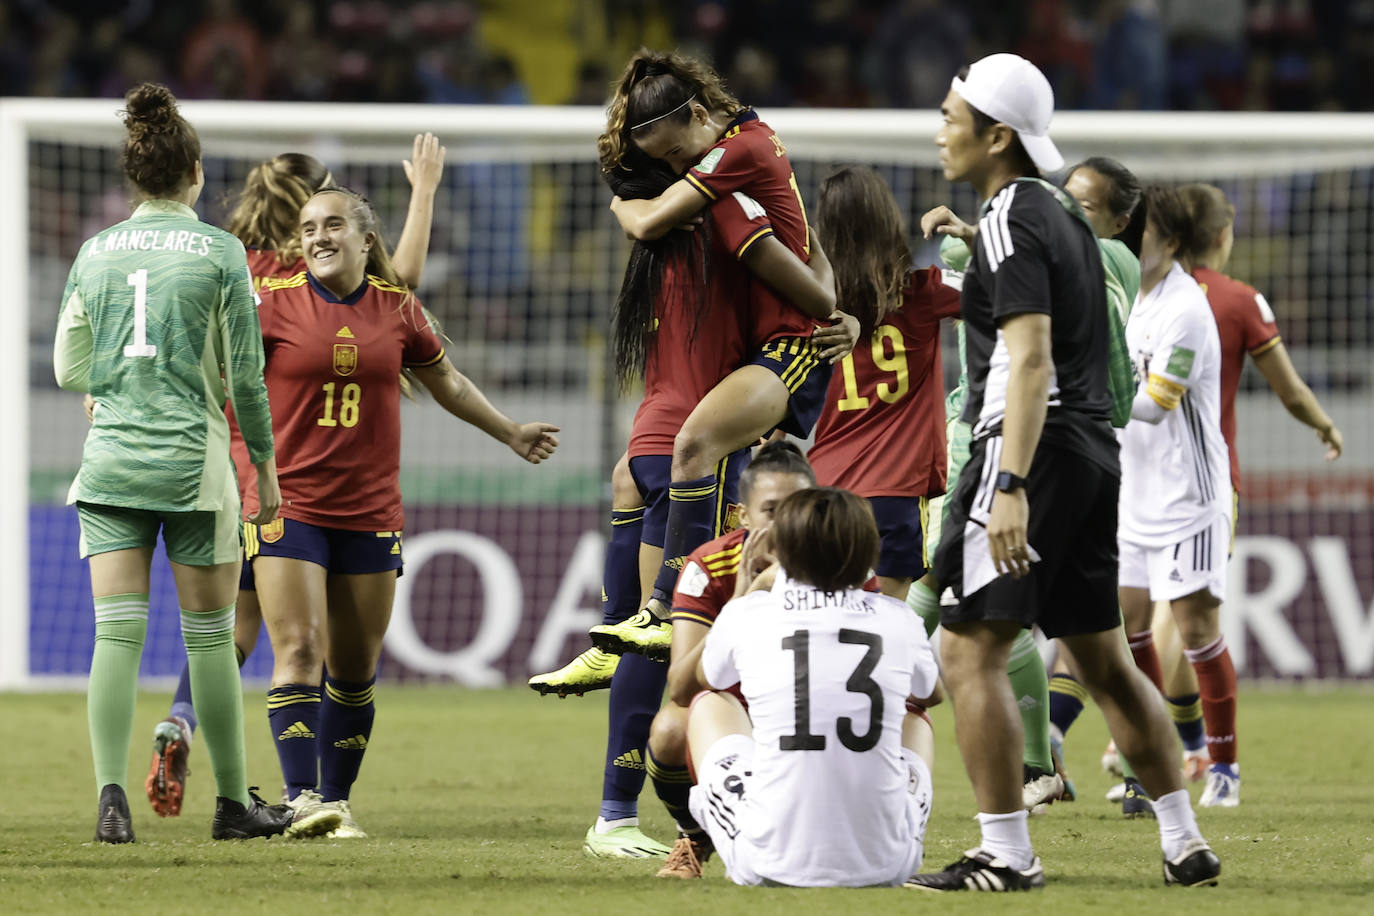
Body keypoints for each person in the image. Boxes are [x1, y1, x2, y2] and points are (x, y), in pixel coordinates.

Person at [906, 54, 1219, 891]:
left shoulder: (1012, 211)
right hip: (1090, 451)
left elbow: (1030, 359)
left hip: (1029, 449)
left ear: (996, 134)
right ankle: (1184, 839)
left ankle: (1006, 852)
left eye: (951, 115)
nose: (939, 130)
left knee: (966, 651)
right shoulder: (1061, 218)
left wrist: (1006, 484)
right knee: (1107, 659)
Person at [529, 129, 851, 859]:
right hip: (704, 452)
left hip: (714, 449)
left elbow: (813, 301)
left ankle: (652, 809)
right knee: (675, 650)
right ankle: (634, 815)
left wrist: (843, 318)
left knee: (691, 647)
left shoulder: (704, 226)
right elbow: (808, 296)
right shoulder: (705, 231)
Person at [142, 134, 447, 819]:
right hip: (283, 473)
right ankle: (302, 794)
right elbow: (403, 284)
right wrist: (423, 192)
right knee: (291, 641)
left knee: (240, 621)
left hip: (224, 460)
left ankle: (182, 719)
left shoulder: (237, 264)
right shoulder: (299, 279)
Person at [246, 187, 559, 839]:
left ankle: (336, 802)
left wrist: (508, 431)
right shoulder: (270, 303)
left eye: (333, 225)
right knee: (300, 649)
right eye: (308, 228)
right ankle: (300, 797)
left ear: (366, 241)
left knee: (355, 672)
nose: (318, 237)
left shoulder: (397, 309)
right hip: (289, 503)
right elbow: (217, 374)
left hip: (369, 511)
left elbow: (445, 380)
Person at [53, 82, 293, 843]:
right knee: (210, 638)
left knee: (115, 638)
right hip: (192, 468)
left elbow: (67, 366)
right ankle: (230, 804)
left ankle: (110, 801)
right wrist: (269, 473)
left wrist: (105, 389)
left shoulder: (95, 252)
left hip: (114, 465)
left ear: (136, 178)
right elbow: (248, 383)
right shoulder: (221, 253)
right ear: (195, 175)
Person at [591, 50, 849, 661]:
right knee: (649, 469)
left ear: (701, 114)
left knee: (692, 448)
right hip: (767, 346)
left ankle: (663, 609)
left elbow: (649, 222)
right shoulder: (746, 147)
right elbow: (813, 257)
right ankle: (655, 623)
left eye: (678, 155)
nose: (680, 170)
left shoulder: (735, 154)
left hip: (793, 347)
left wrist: (620, 204)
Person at [671, 487, 939, 887]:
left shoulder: (748, 613)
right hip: (889, 862)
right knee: (915, 716)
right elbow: (931, 692)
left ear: (781, 548)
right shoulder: (899, 617)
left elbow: (707, 681)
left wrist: (752, 588)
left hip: (766, 859)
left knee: (710, 702)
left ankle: (696, 834)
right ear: (869, 550)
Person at [642, 442, 834, 878]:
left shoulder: (842, 562)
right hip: (734, 714)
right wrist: (748, 599)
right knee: (671, 728)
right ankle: (693, 835)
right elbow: (682, 686)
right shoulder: (708, 565)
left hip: (815, 710)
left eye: (798, 507)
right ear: (744, 515)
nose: (787, 523)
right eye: (771, 510)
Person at [808, 166, 963, 602]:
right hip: (895, 490)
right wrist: (974, 236)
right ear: (887, 219)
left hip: (826, 487)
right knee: (887, 630)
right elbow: (1011, 293)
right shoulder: (925, 290)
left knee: (828, 621)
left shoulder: (813, 304)